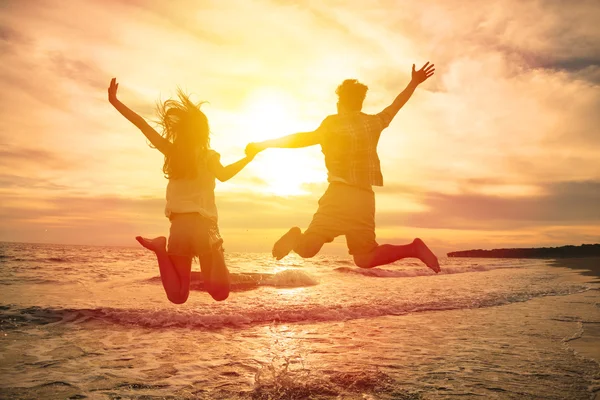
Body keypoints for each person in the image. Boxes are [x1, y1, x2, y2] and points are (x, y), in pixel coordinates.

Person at [246, 63, 440, 273]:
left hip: (339, 195)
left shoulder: (332, 124)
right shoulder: (373, 123)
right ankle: (413, 249)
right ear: (360, 102)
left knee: (307, 249)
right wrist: (413, 83)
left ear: (340, 102)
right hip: (364, 199)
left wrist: (264, 144)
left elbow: (301, 139)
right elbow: (396, 105)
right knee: (365, 258)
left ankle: (295, 236)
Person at [108, 78, 255, 303]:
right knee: (220, 293)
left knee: (178, 296)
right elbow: (224, 175)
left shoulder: (172, 153)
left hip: (178, 227)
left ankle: (160, 249)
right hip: (204, 225)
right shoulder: (208, 156)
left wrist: (114, 102)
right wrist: (249, 158)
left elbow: (142, 124)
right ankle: (216, 246)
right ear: (203, 132)